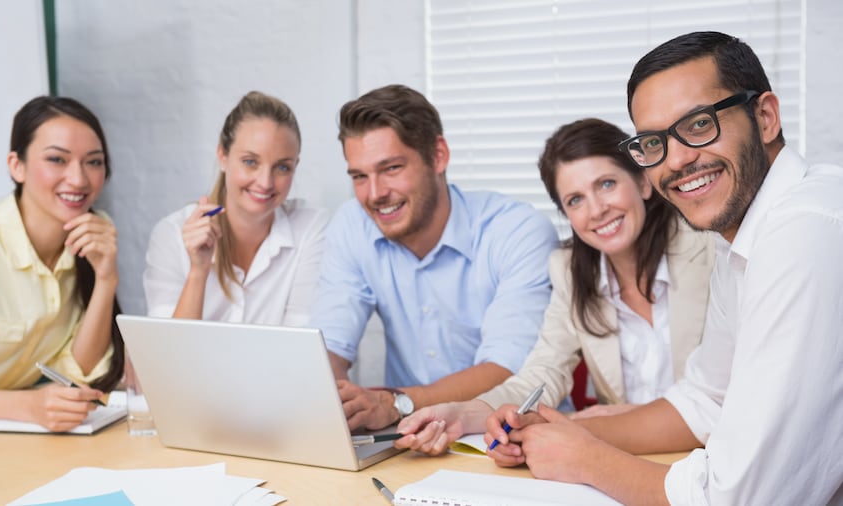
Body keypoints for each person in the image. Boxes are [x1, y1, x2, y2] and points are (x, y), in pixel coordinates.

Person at [485, 31, 843, 505]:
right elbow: (705, 399)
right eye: (655, 142)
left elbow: (741, 497)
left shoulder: (803, 232)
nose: (677, 160)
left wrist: (588, 459)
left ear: (765, 117)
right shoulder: (743, 236)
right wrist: (565, 430)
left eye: (698, 125)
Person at [394, 118, 714, 455]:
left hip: (720, 457)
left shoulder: (709, 249)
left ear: (643, 182)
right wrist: (461, 414)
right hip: (626, 458)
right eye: (575, 200)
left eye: (606, 184)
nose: (597, 209)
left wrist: (632, 417)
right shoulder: (570, 272)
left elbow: (739, 390)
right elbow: (541, 375)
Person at [309, 84, 560, 431]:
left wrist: (396, 404)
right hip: (408, 440)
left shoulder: (517, 231)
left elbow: (508, 367)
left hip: (512, 433)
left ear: (438, 155)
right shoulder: (352, 226)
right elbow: (328, 350)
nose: (375, 193)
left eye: (392, 168)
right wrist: (328, 399)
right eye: (359, 177)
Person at [0, 96, 124, 432]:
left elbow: (79, 370)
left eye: (93, 162)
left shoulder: (91, 239)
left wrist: (107, 279)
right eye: (57, 159)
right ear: (17, 166)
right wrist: (28, 406)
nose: (79, 179)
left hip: (9, 440)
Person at [143, 91, 327, 326]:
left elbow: (303, 343)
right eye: (250, 162)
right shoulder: (171, 234)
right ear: (223, 156)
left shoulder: (309, 228)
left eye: (282, 167)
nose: (265, 182)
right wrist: (198, 272)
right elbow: (166, 356)